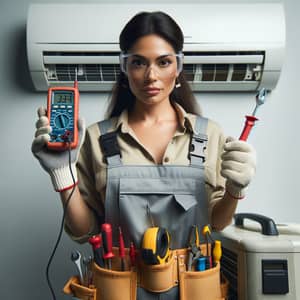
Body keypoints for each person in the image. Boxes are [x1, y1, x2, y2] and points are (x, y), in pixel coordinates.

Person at [32, 11, 256, 300]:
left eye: (163, 62)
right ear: (125, 68)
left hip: (195, 288)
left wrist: (236, 190)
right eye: (138, 62)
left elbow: (217, 222)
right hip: (120, 289)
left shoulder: (208, 135)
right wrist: (62, 175)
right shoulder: (97, 138)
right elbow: (85, 231)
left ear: (178, 67)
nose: (151, 76)